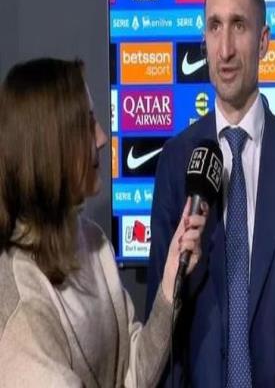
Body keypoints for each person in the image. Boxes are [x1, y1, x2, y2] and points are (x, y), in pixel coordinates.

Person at [146, 0, 275, 387]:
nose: (226, 49)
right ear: (204, 40)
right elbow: (159, 333)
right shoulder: (176, 162)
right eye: (215, 27)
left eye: (239, 26)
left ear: (263, 41)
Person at [0, 58, 207, 387]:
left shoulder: (94, 242)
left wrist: (170, 285)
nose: (101, 138)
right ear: (52, 147)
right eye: (87, 124)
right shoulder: (20, 302)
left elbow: (135, 374)